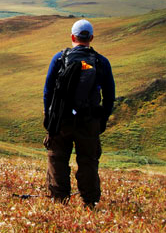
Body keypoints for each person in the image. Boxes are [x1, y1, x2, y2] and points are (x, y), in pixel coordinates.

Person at [42, 19, 115, 207]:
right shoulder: (101, 62)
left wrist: (49, 119)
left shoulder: (59, 59)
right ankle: (90, 203)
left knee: (57, 158)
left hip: (62, 120)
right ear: (91, 37)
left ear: (72, 37)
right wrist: (102, 120)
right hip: (89, 120)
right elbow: (109, 96)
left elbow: (48, 92)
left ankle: (59, 200)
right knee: (88, 161)